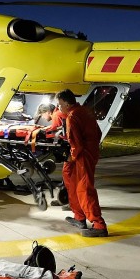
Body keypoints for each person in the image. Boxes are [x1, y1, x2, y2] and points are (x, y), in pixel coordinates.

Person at [56, 89, 107, 237]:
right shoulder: (85, 111)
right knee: (72, 182)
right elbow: (98, 132)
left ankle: (99, 225)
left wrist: (71, 156)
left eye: (60, 105)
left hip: (82, 155)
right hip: (89, 153)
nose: (59, 108)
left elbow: (76, 145)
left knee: (84, 189)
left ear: (66, 103)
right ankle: (79, 217)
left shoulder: (72, 116)